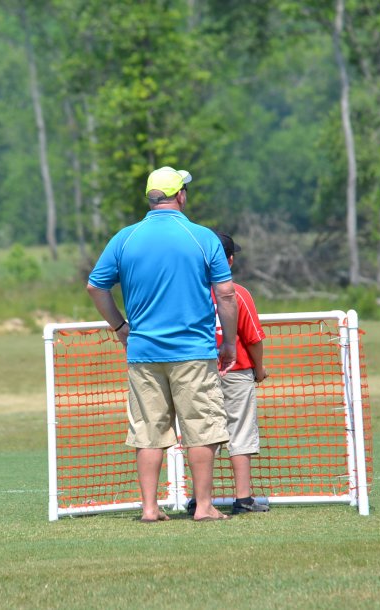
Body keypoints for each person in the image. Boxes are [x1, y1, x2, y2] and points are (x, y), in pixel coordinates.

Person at [87, 166, 239, 522]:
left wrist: (120, 326)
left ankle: (150, 508)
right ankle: (204, 507)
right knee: (201, 428)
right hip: (193, 351)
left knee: (147, 431)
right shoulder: (202, 237)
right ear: (180, 195)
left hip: (143, 352)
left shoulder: (124, 238)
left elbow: (96, 286)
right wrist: (229, 343)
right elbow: (226, 294)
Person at [186, 232, 269, 517]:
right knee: (240, 430)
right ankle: (243, 498)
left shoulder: (189, 293)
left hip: (197, 370)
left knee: (202, 433)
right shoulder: (238, 293)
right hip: (237, 369)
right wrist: (260, 368)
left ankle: (199, 499)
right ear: (229, 261)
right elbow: (254, 338)